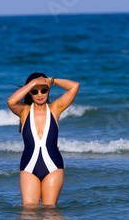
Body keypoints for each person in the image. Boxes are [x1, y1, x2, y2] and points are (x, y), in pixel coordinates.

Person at [7, 73, 79, 207]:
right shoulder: (24, 111)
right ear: (30, 92)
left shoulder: (55, 108)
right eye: (35, 91)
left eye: (44, 90)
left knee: (50, 213)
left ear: (48, 90)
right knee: (28, 214)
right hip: (29, 167)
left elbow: (74, 86)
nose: (40, 94)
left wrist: (51, 80)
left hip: (53, 166)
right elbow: (11, 101)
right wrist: (32, 83)